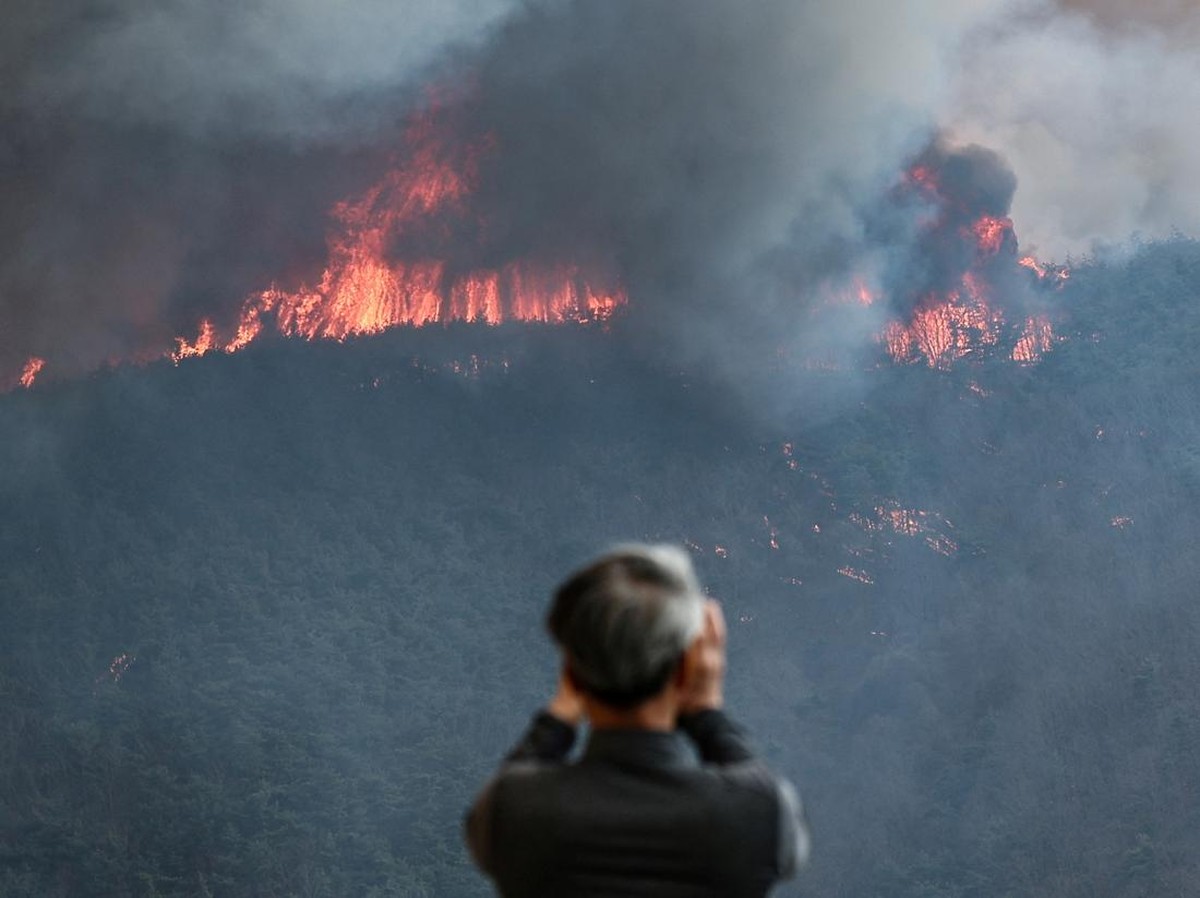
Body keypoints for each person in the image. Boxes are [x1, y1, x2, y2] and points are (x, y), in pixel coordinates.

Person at [465, 543, 809, 897]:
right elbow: (765, 799)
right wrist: (706, 711)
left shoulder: (514, 811)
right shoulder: (758, 814)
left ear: (573, 674)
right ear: (685, 671)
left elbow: (492, 809)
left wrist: (559, 716)